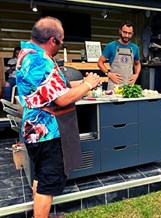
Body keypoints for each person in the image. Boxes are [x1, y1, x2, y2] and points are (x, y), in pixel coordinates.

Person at [16, 16, 101, 218]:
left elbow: (55, 89)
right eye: (61, 42)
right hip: (46, 134)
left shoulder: (32, 53)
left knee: (41, 177)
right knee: (49, 181)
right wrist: (87, 84)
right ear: (53, 40)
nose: (60, 45)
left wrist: (81, 85)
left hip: (38, 132)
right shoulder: (38, 61)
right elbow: (61, 99)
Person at [97, 20, 141, 90]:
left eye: (129, 33)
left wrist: (136, 75)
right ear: (120, 31)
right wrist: (109, 74)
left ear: (132, 34)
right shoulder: (111, 46)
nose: (127, 35)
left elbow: (137, 64)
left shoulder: (135, 48)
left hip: (129, 87)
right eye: (125, 32)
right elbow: (100, 63)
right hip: (114, 86)